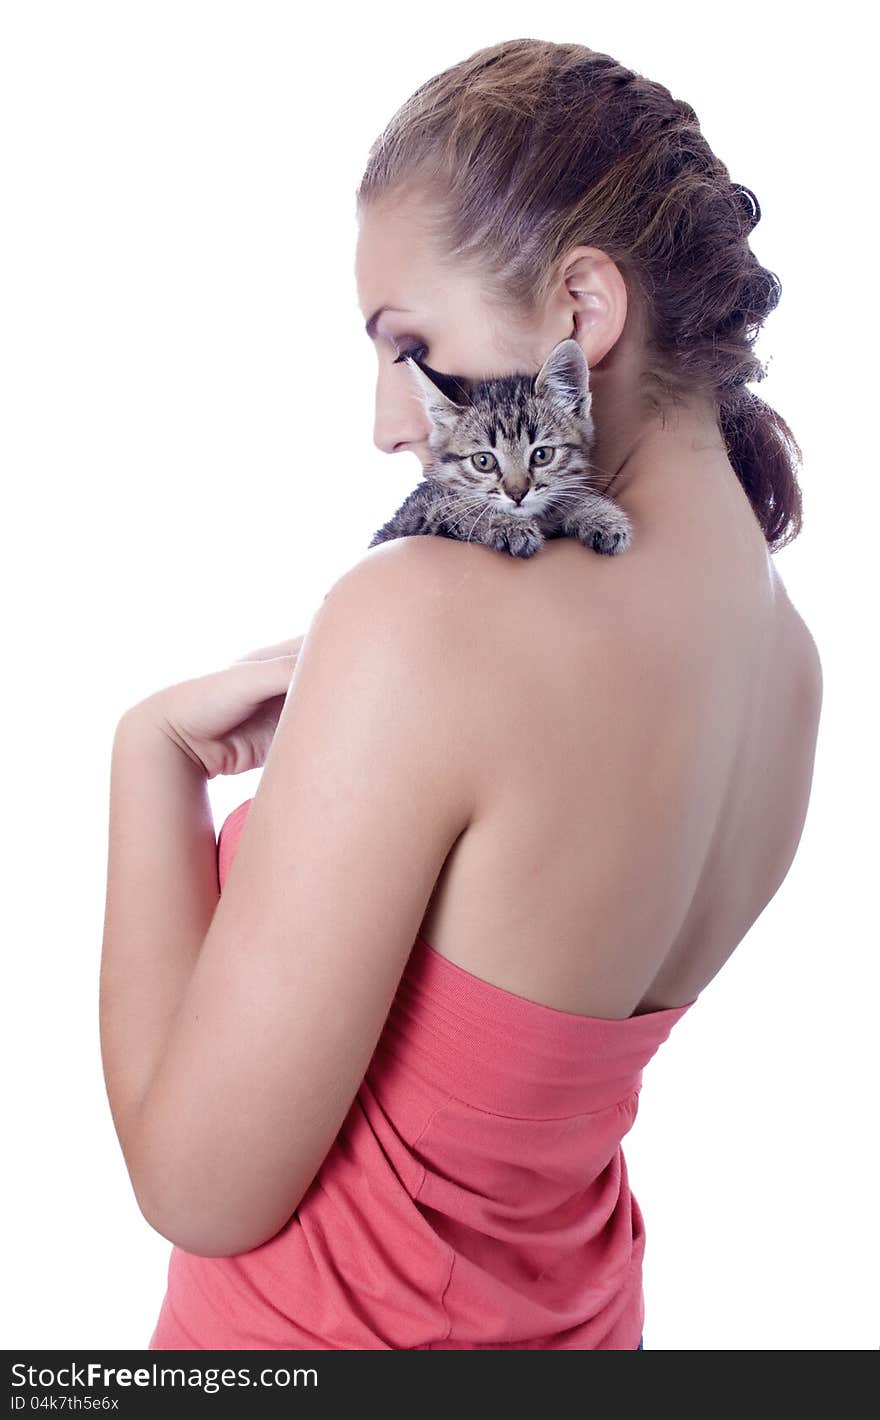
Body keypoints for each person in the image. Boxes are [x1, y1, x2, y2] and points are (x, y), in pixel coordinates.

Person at [102, 38, 823, 1351]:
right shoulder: (791, 671)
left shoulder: (429, 619)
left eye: (410, 345)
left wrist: (146, 755)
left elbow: (197, 1187)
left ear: (581, 310)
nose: (390, 422)